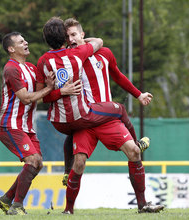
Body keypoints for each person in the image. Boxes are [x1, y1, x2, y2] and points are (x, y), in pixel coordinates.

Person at [0, 32, 80, 215]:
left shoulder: (32, 69)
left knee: (37, 163)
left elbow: (40, 97)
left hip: (26, 126)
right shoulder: (11, 69)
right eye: (20, 41)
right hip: (9, 125)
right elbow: (26, 98)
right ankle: (16, 207)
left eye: (25, 39)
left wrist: (59, 88)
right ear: (11, 49)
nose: (26, 42)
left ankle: (6, 199)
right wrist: (49, 88)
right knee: (33, 160)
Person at [61, 17, 153, 184]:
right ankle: (68, 188)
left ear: (83, 34)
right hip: (86, 114)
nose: (71, 40)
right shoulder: (68, 59)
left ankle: (142, 203)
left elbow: (117, 76)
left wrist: (139, 94)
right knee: (79, 160)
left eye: (74, 35)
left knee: (133, 151)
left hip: (106, 117)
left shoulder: (104, 53)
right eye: (67, 37)